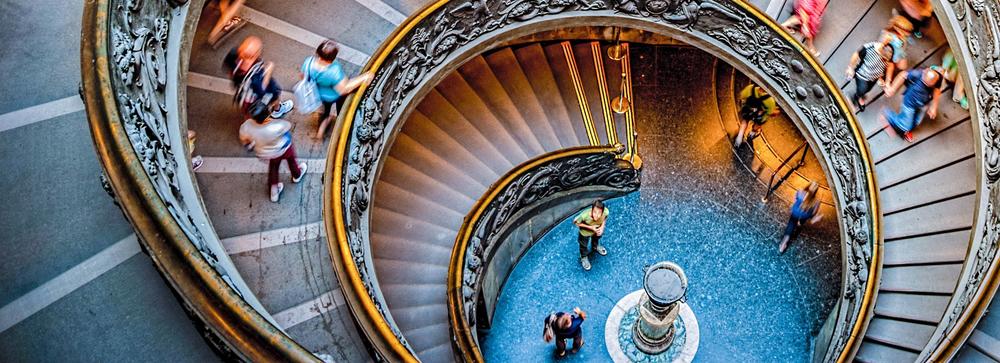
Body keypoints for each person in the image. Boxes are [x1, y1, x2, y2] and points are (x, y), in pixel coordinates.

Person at [301, 40, 374, 138]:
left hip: (320, 95)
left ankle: (320, 132)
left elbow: (303, 77)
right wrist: (364, 77)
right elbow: (344, 89)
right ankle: (341, 126)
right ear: (332, 58)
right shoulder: (334, 71)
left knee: (325, 112)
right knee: (342, 111)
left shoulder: (308, 62)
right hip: (336, 96)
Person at [239, 102, 308, 202]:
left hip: (266, 153)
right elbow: (287, 127)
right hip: (283, 149)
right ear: (267, 113)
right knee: (291, 161)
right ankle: (297, 174)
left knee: (273, 168)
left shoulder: (247, 126)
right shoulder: (276, 126)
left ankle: (274, 191)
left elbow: (244, 139)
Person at [224, 36, 294, 120]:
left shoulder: (234, 56)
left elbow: (227, 69)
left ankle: (249, 121)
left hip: (242, 95)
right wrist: (268, 71)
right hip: (255, 98)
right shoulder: (255, 73)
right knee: (275, 94)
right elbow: (262, 90)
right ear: (255, 55)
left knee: (249, 111)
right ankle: (277, 110)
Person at [881, 66, 943, 142]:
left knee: (917, 121)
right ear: (924, 72)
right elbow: (903, 75)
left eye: (928, 85)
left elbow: (937, 90)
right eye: (923, 82)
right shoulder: (917, 74)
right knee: (905, 124)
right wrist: (893, 89)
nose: (924, 85)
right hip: (909, 103)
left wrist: (934, 106)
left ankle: (907, 129)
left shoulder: (938, 77)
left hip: (923, 103)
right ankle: (887, 115)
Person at [845, 37, 895, 112]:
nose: (885, 61)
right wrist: (850, 67)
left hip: (874, 78)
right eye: (883, 58)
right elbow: (856, 54)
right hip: (862, 74)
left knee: (868, 89)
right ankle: (856, 97)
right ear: (880, 51)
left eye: (886, 60)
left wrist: (888, 82)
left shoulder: (888, 54)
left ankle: (859, 95)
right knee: (863, 89)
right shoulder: (869, 49)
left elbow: (890, 66)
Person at [779, 182, 822, 253]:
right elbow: (814, 212)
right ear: (816, 191)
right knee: (805, 216)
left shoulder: (800, 191)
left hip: (796, 212)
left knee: (790, 226)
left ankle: (784, 243)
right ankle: (802, 223)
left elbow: (794, 201)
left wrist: (794, 208)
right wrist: (812, 215)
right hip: (805, 215)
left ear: (808, 185)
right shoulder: (816, 201)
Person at [574, 200, 608, 271]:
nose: (597, 215)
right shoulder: (584, 215)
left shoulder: (605, 212)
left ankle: (595, 247)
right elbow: (575, 222)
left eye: (599, 213)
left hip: (597, 230)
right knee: (583, 245)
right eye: (595, 212)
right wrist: (591, 227)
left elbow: (605, 217)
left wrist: (602, 227)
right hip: (585, 233)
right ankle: (583, 257)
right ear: (592, 210)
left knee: (596, 239)